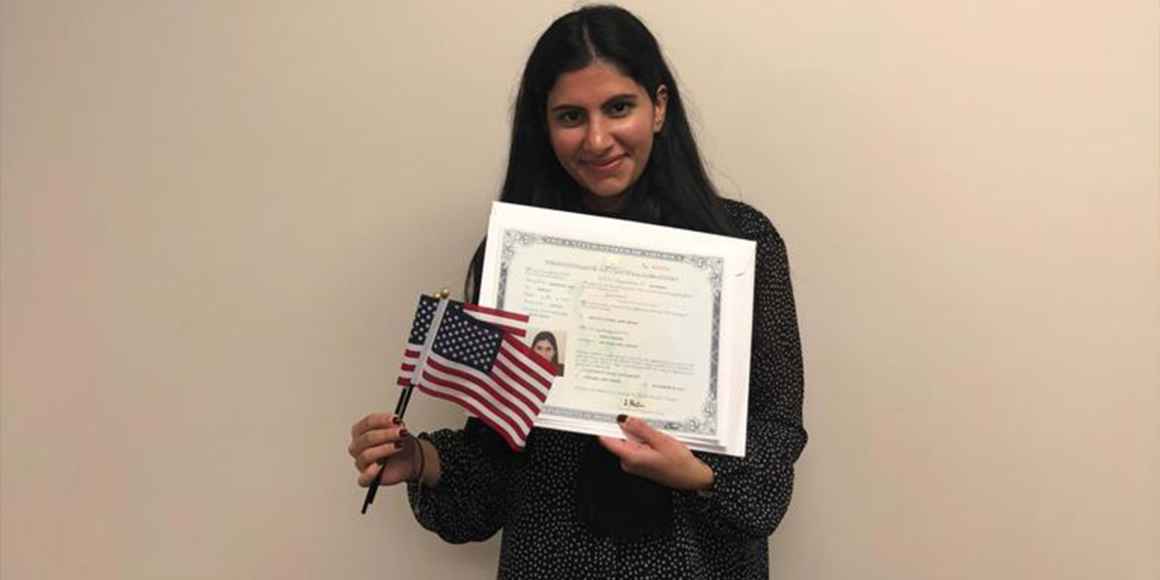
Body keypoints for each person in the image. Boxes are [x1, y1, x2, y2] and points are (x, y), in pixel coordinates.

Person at [348, 5, 806, 578]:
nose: (597, 139)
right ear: (543, 124)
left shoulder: (741, 243)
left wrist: (699, 473)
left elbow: (775, 435)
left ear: (659, 107)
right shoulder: (518, 256)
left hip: (697, 562)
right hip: (551, 558)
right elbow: (493, 467)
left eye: (619, 107)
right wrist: (420, 460)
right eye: (570, 115)